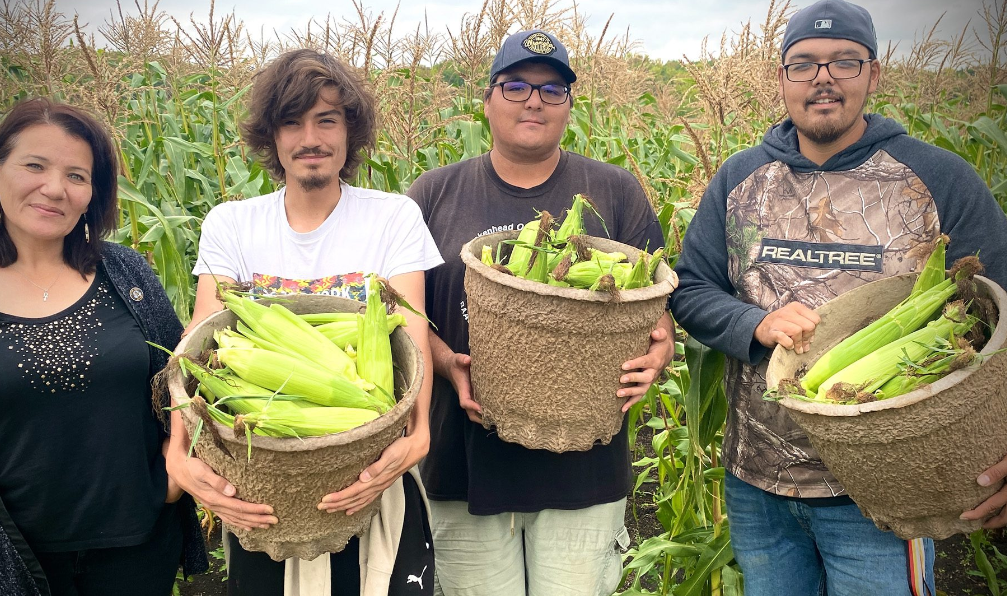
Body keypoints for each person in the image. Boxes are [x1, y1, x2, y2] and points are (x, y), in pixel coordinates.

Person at [670, 1, 1007, 594]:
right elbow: (692, 289)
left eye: (844, 62)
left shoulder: (938, 178)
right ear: (781, 79)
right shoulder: (740, 178)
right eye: (803, 65)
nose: (822, 78)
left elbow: (1001, 314)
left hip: (884, 488)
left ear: (873, 75)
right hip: (759, 486)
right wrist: (754, 322)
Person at [407, 29, 675, 596]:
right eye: (516, 86)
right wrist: (446, 362)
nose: (535, 100)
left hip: (585, 465)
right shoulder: (432, 194)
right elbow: (405, 318)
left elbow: (655, 309)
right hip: (464, 463)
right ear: (486, 101)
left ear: (570, 107)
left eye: (553, 89)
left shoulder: (615, 191)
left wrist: (662, 348)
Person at [168, 49, 442, 595]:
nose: (309, 138)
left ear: (350, 131)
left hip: (371, 478)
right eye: (291, 122)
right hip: (265, 492)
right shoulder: (232, 225)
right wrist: (180, 452)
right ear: (270, 137)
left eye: (326, 119)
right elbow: (198, 346)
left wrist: (419, 433)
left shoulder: (392, 217)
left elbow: (411, 338)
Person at [0, 97, 207, 596]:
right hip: (6, 561)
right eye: (34, 166)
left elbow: (187, 379)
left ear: (92, 194)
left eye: (77, 176)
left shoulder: (126, 273)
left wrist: (173, 479)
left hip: (138, 550)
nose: (54, 188)